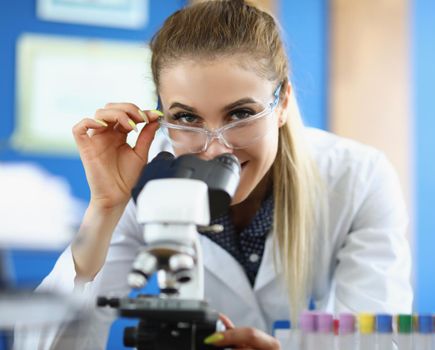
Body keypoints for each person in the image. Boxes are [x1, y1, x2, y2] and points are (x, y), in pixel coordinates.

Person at [16, 0, 412, 349]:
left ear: (283, 101)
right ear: (162, 115)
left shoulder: (358, 178)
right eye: (187, 117)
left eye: (240, 114)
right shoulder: (150, 180)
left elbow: (376, 341)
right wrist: (106, 207)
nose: (215, 148)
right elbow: (48, 343)